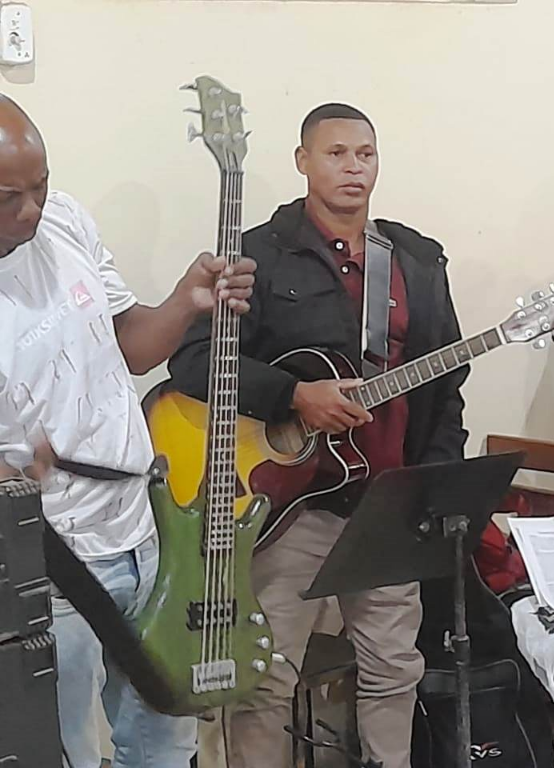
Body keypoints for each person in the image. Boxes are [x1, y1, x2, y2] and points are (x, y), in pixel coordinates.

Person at [168, 103, 468, 768]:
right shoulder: (257, 254)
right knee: (265, 679)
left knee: (395, 668)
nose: (353, 167)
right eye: (336, 153)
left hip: (388, 503)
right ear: (303, 161)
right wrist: (294, 396)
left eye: (365, 154)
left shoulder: (415, 260)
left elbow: (447, 385)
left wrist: (434, 482)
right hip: (288, 505)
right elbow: (192, 362)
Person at [0, 95, 256, 768]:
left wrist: (186, 302)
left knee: (166, 741)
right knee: (66, 750)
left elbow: (131, 347)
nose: (31, 210)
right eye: (8, 198)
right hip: (51, 567)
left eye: (40, 185)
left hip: (145, 533)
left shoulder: (65, 221)